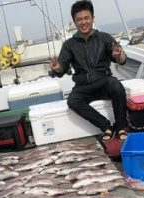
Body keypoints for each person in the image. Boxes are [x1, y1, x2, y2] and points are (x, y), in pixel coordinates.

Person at [50, 0, 128, 143]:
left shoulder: (104, 38)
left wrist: (119, 55)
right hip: (83, 86)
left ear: (93, 18)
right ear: (74, 22)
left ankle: (122, 126)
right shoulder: (69, 45)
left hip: (104, 81)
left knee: (117, 86)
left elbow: (121, 60)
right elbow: (62, 68)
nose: (83, 22)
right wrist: (57, 68)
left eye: (86, 18)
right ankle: (106, 126)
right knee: (72, 100)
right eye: (79, 19)